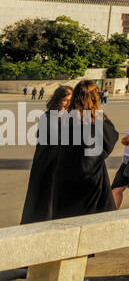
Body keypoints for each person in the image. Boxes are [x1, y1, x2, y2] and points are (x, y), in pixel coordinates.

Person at [50, 80, 119, 220]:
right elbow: (110, 140)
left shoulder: (65, 118)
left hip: (66, 177)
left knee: (67, 220)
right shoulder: (97, 120)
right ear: (95, 97)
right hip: (91, 179)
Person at [20, 85, 73, 225]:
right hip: (48, 162)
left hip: (60, 163)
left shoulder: (71, 116)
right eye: (65, 100)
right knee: (45, 197)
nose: (67, 103)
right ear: (57, 99)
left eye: (70, 100)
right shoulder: (49, 116)